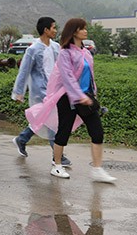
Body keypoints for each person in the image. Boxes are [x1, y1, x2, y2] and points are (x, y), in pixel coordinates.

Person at [25, 18, 116, 183]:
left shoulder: (86, 52)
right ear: (74, 31)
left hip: (86, 97)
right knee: (63, 132)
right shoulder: (65, 53)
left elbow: (90, 77)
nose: (86, 31)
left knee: (97, 132)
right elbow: (67, 78)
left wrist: (91, 94)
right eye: (82, 29)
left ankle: (97, 169)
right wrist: (79, 97)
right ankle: (57, 164)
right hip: (68, 97)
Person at [11, 17, 71, 167]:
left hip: (55, 91)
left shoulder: (56, 47)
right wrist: (19, 92)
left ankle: (22, 139)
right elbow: (24, 71)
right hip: (40, 91)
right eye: (53, 28)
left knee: (42, 119)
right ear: (46, 30)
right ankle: (58, 155)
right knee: (52, 121)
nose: (56, 31)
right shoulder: (33, 50)